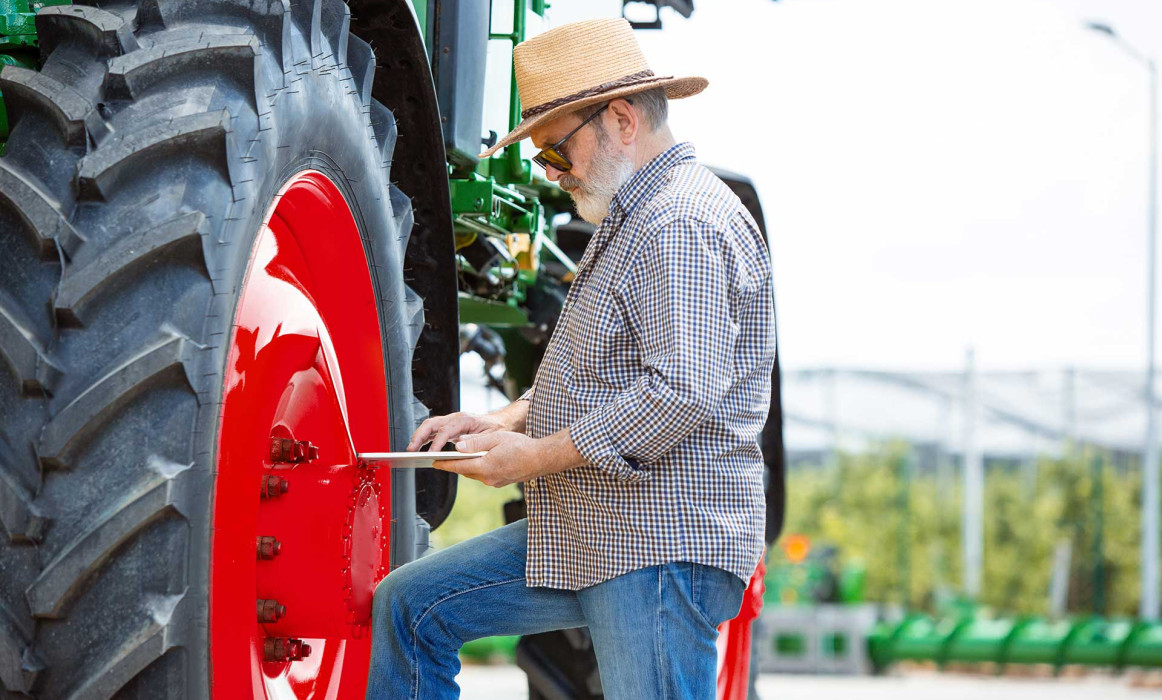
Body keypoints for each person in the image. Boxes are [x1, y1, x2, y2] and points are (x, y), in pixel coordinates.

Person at [365, 16, 775, 700]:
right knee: (412, 608)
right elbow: (600, 375)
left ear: (619, 119)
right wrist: (499, 419)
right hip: (598, 532)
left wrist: (534, 458)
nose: (553, 175)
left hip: (657, 544)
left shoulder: (680, 221)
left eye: (556, 152)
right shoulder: (634, 216)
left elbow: (678, 393)